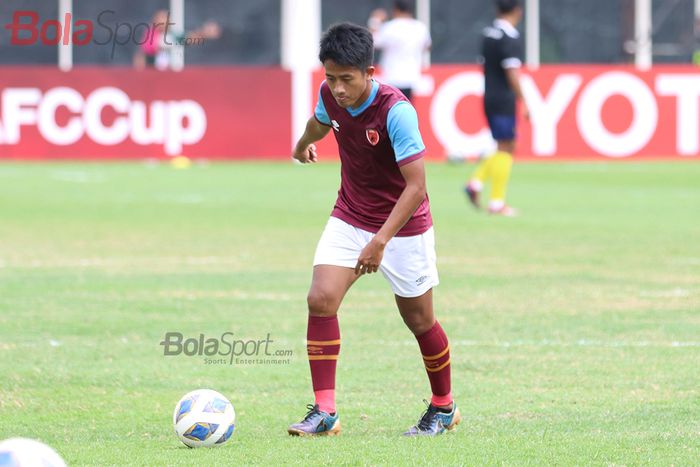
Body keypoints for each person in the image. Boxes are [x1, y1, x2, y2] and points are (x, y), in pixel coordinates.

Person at [287, 22, 459, 437]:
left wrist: (380, 241)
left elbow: (417, 188)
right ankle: (324, 412)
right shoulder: (330, 95)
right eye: (331, 77)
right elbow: (320, 121)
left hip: (404, 226)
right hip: (350, 215)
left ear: (370, 73)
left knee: (420, 320)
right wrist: (301, 143)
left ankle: (443, 407)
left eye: (347, 79)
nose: (339, 88)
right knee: (320, 299)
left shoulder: (396, 111)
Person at [465, 0, 528, 216]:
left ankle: (476, 183)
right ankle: (496, 202)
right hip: (503, 99)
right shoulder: (509, 38)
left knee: (506, 146)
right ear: (518, 11)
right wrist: (524, 100)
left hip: (490, 95)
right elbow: (512, 73)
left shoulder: (489, 34)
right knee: (507, 146)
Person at [368, 1, 431, 101]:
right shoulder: (420, 27)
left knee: (390, 109)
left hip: (391, 77)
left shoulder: (389, 27)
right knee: (406, 108)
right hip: (411, 77)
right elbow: (427, 46)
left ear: (395, 10)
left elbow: (371, 42)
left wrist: (375, 20)